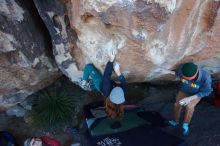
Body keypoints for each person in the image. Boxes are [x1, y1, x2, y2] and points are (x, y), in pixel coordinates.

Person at [168, 62, 213, 135]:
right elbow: (177, 74)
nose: (185, 79)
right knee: (177, 104)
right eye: (184, 77)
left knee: (189, 107)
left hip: (197, 94)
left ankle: (186, 124)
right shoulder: (182, 69)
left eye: (187, 78)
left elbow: (207, 91)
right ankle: (175, 121)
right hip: (184, 90)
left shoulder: (206, 78)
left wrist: (191, 98)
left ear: (195, 74)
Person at [79, 50, 127, 119]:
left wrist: (111, 60)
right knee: (99, 87)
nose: (118, 89)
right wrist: (118, 72)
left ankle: (83, 83)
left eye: (116, 90)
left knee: (88, 67)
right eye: (120, 90)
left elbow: (106, 76)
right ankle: (91, 85)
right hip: (105, 88)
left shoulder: (107, 89)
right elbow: (124, 84)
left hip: (100, 84)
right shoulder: (120, 96)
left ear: (111, 95)